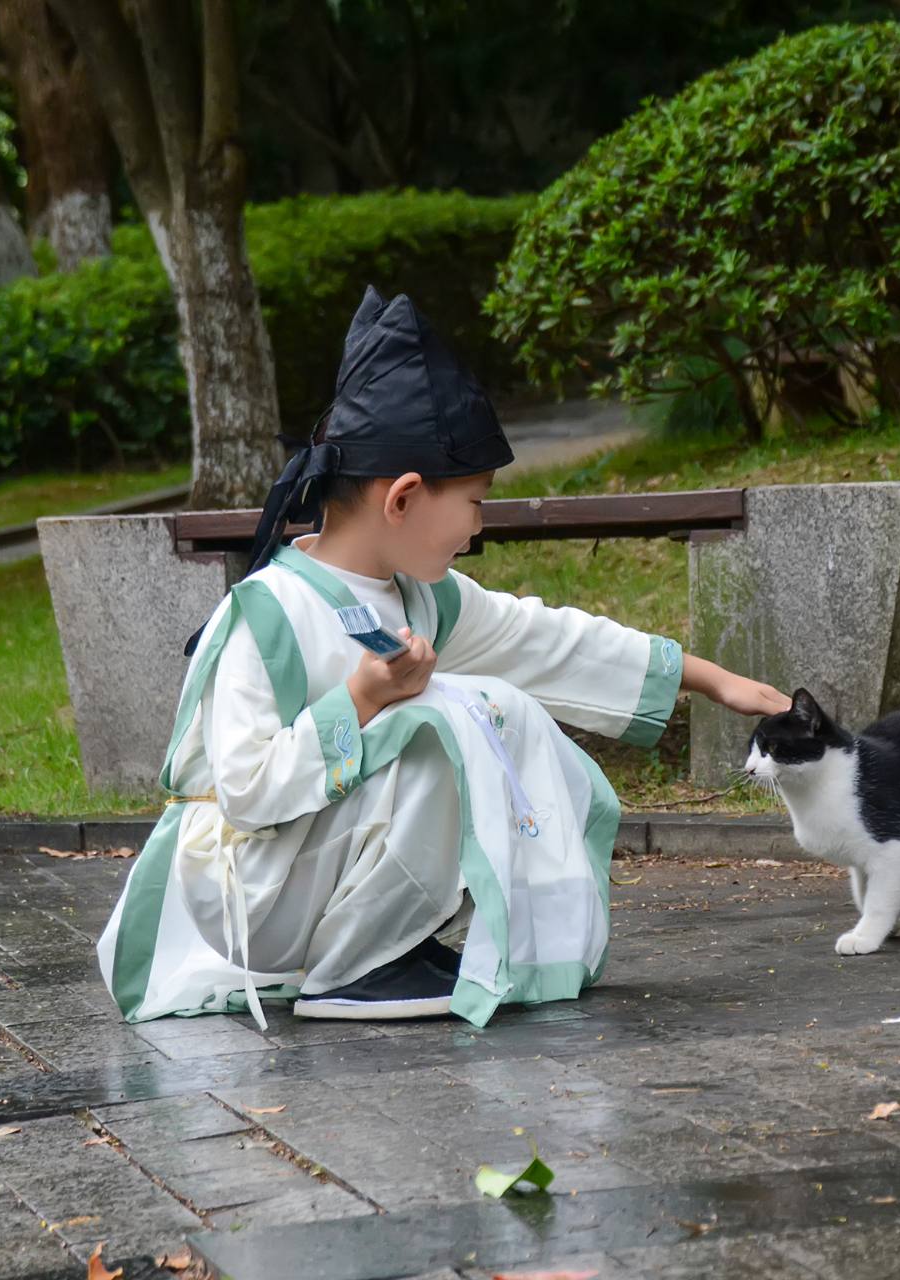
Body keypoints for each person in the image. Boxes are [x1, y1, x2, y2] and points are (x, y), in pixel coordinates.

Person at [97, 287, 788, 1028]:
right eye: (474, 502)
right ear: (404, 497)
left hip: (308, 868)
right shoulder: (266, 614)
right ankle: (353, 967)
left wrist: (714, 680)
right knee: (451, 716)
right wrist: (361, 700)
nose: (479, 526)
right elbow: (245, 792)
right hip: (247, 887)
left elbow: (546, 640)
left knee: (486, 708)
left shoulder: (425, 599)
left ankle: (384, 946)